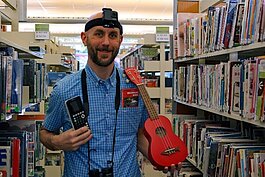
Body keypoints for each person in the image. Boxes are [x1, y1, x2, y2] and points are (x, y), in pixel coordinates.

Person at [40, 8, 178, 177]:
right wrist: (57, 141)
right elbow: (45, 133)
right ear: (84, 38)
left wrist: (160, 158)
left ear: (120, 40)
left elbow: (139, 135)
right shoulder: (63, 90)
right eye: (98, 34)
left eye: (112, 35)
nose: (106, 42)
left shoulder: (136, 87)